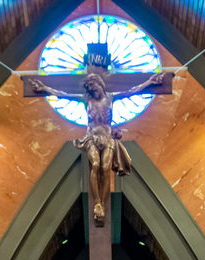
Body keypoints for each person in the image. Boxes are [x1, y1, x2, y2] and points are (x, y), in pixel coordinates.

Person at [28, 71, 164, 226]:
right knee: (95, 165)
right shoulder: (87, 99)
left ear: (99, 83)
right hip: (91, 137)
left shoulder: (110, 97)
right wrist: (44, 88)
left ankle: (103, 204)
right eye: (88, 87)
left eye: (92, 85)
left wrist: (150, 82)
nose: (91, 89)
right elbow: (63, 95)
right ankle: (97, 202)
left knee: (105, 168)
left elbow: (132, 91)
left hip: (107, 138)